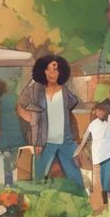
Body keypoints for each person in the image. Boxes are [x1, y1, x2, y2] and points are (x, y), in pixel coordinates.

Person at [20, 54, 85, 189]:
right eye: (48, 69)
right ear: (43, 71)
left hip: (65, 141)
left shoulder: (67, 93)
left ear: (60, 72)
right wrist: (32, 120)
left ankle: (82, 202)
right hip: (44, 142)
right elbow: (21, 104)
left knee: (76, 177)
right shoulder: (35, 91)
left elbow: (72, 108)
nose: (51, 73)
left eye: (55, 69)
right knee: (39, 178)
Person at [76, 102, 110, 211]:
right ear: (95, 112)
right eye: (98, 110)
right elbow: (84, 140)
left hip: (108, 157)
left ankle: (106, 205)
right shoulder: (92, 125)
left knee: (106, 183)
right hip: (97, 158)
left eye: (102, 110)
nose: (100, 112)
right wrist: (77, 152)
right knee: (97, 183)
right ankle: (98, 205)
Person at [0, 81, 25, 187]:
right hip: (14, 127)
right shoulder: (14, 97)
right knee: (13, 154)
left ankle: (8, 181)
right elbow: (20, 111)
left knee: (6, 156)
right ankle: (10, 176)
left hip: (3, 129)